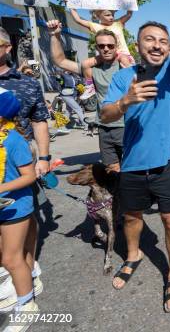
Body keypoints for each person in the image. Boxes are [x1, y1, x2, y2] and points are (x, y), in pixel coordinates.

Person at [99, 0, 170, 312]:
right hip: (133, 164)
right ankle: (133, 254)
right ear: (138, 44)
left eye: (161, 40)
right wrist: (125, 101)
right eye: (149, 40)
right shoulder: (123, 78)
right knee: (131, 218)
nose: (157, 45)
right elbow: (106, 115)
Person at [0, 27, 49, 310]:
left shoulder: (26, 84)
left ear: (7, 47)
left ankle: (25, 269)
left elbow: (40, 119)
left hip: (18, 159)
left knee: (26, 214)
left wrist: (43, 157)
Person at [47, 21, 124, 172]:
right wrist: (54, 35)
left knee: (132, 171)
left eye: (110, 45)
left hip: (126, 127)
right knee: (113, 170)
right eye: (101, 46)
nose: (106, 49)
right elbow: (60, 61)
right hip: (104, 128)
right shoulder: (93, 69)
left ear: (117, 47)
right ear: (96, 48)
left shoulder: (126, 66)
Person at [0, 89, 40, 320]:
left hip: (16, 205)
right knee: (7, 255)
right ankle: (26, 284)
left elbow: (29, 176)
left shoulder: (13, 140)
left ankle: (26, 307)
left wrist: (2, 188)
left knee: (10, 258)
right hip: (3, 206)